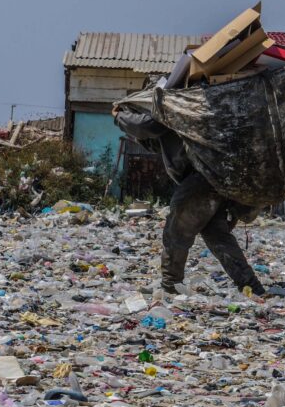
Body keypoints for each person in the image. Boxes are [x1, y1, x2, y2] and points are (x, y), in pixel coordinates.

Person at [112, 104, 267, 296]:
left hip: (201, 176)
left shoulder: (172, 104)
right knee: (217, 235)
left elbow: (149, 126)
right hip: (218, 176)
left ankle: (170, 285)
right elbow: (153, 138)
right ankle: (252, 287)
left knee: (176, 231)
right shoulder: (192, 108)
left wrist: (119, 116)